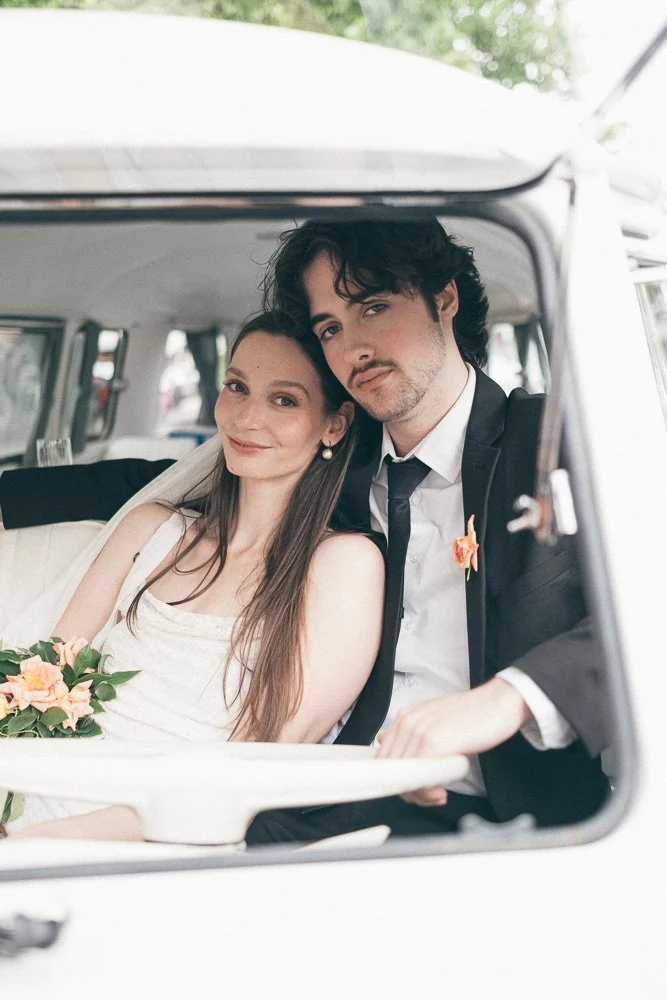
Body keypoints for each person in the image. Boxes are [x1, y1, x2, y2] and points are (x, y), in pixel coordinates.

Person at [0, 220, 609, 843]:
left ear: (443, 299)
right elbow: (181, 475)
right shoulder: (342, 458)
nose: (354, 348)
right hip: (323, 794)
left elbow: (652, 603)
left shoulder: (552, 445)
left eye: (374, 307)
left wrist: (507, 699)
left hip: (511, 813)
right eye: (330, 329)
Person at [5, 311, 385, 839]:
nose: (246, 418)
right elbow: (42, 677)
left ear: (335, 424)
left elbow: (252, 767)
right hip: (34, 792)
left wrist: (41, 842)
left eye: (284, 400)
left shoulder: (345, 566)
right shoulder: (149, 528)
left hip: (167, 831)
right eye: (237, 387)